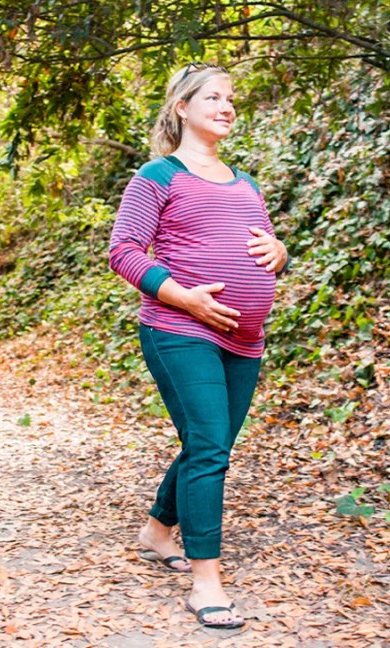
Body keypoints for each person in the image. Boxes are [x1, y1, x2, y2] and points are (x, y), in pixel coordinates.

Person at [108, 62, 288, 630]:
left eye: (231, 98)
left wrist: (279, 252)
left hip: (246, 339)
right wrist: (185, 297)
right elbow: (124, 251)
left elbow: (261, 246)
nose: (226, 106)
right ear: (182, 107)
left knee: (208, 444)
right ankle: (206, 583)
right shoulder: (157, 176)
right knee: (210, 445)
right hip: (180, 329)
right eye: (213, 97)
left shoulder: (246, 183)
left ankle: (158, 528)